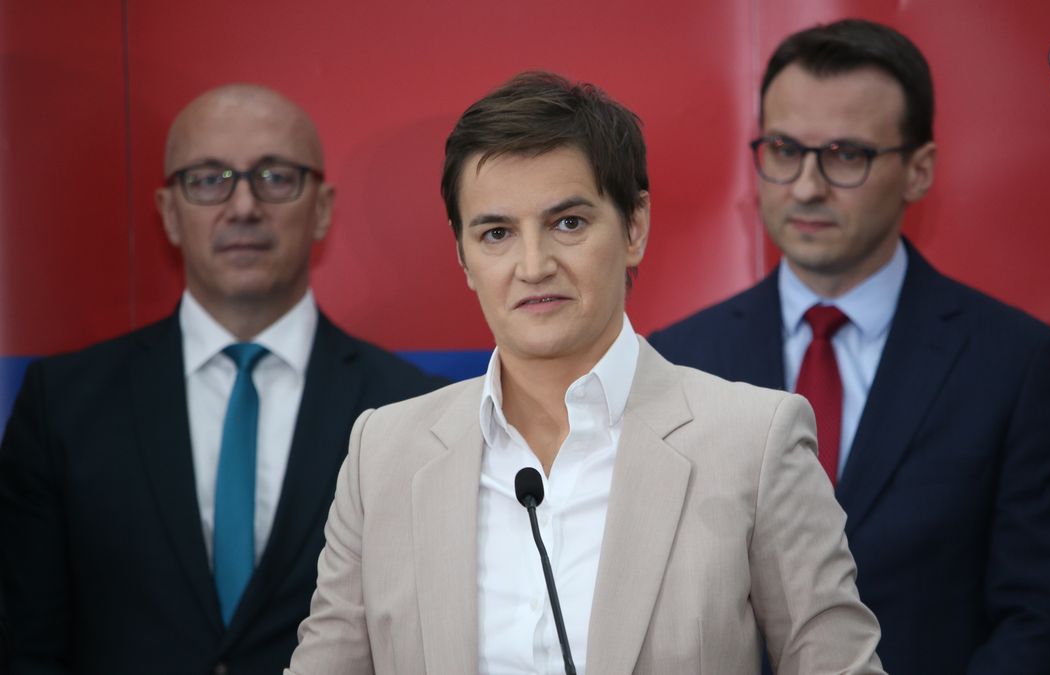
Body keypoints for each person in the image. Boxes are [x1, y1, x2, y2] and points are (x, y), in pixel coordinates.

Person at [286, 71, 884, 675]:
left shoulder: (753, 441)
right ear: (463, 257)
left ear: (634, 227)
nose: (533, 265)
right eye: (496, 233)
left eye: (567, 223)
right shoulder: (384, 453)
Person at [650, 19, 1050, 675]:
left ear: (918, 170)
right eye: (784, 149)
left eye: (846, 154)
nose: (806, 186)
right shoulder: (679, 360)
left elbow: (1049, 620)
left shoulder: (1012, 364)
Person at [0, 84, 445, 674]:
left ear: (323, 209)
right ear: (168, 213)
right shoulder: (63, 405)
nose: (242, 208)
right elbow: (24, 647)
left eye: (275, 177)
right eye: (208, 179)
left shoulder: (410, 409)